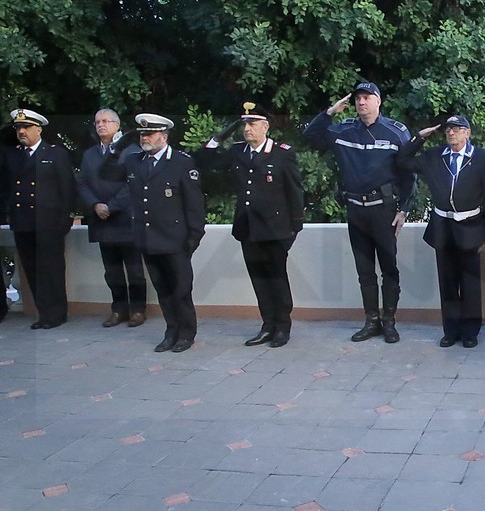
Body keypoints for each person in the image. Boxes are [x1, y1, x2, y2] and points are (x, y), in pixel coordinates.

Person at [303, 82, 414, 343]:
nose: (361, 102)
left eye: (367, 97)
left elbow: (409, 173)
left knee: (388, 268)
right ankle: (371, 321)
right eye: (358, 99)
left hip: (384, 210)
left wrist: (404, 209)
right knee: (364, 270)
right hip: (356, 210)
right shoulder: (343, 130)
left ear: (378, 101)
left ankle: (389, 322)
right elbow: (310, 136)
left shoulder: (396, 132)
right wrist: (330, 112)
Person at [203, 103, 304, 348]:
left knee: (277, 279)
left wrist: (294, 228)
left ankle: (283, 326)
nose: (247, 128)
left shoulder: (282, 153)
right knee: (259, 280)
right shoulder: (238, 151)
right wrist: (219, 137)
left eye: (252, 123)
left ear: (265, 127)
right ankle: (267, 325)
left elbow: (295, 191)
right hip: (248, 229)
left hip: (275, 229)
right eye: (244, 124)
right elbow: (206, 162)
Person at [397, 114, 485, 348]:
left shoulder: (481, 157)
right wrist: (419, 137)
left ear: (467, 133)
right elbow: (402, 160)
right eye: (448, 129)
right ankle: (450, 331)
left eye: (457, 129)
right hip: (443, 227)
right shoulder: (434, 156)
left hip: (470, 226)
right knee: (447, 282)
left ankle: (470, 332)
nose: (451, 133)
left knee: (470, 283)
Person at [113, 114, 206, 353]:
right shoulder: (134, 162)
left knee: (181, 289)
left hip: (175, 240)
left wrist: (193, 237)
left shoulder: (181, 162)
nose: (144, 138)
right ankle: (171, 331)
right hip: (147, 238)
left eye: (150, 134)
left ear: (163, 137)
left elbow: (194, 204)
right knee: (163, 290)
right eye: (142, 134)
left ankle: (186, 333)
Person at [1, 109, 75, 329]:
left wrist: (66, 218)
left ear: (38, 129)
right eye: (18, 128)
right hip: (22, 222)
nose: (21, 132)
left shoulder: (55, 153)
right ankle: (44, 313)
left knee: (51, 269)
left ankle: (57, 313)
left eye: (26, 127)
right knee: (32, 270)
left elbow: (67, 189)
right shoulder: (13, 155)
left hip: (49, 223)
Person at [76, 109, 148, 328]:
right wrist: (95, 205)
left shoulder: (131, 151)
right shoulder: (89, 154)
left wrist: (111, 206)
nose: (101, 125)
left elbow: (133, 184)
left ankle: (138, 310)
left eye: (106, 121)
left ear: (117, 125)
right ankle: (119, 309)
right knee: (112, 271)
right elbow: (82, 183)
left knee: (135, 271)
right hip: (102, 220)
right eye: (97, 121)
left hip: (127, 219)